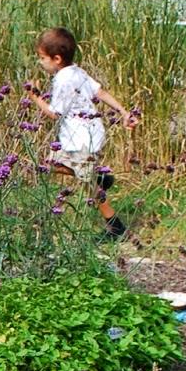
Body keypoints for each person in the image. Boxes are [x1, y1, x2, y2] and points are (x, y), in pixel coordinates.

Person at [26, 26, 138, 238]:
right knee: (49, 165)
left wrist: (34, 97)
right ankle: (100, 176)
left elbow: (54, 114)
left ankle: (115, 227)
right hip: (92, 134)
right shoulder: (78, 72)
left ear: (56, 58)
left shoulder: (62, 79)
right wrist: (123, 111)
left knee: (89, 187)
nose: (40, 63)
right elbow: (101, 92)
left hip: (80, 140)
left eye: (42, 58)